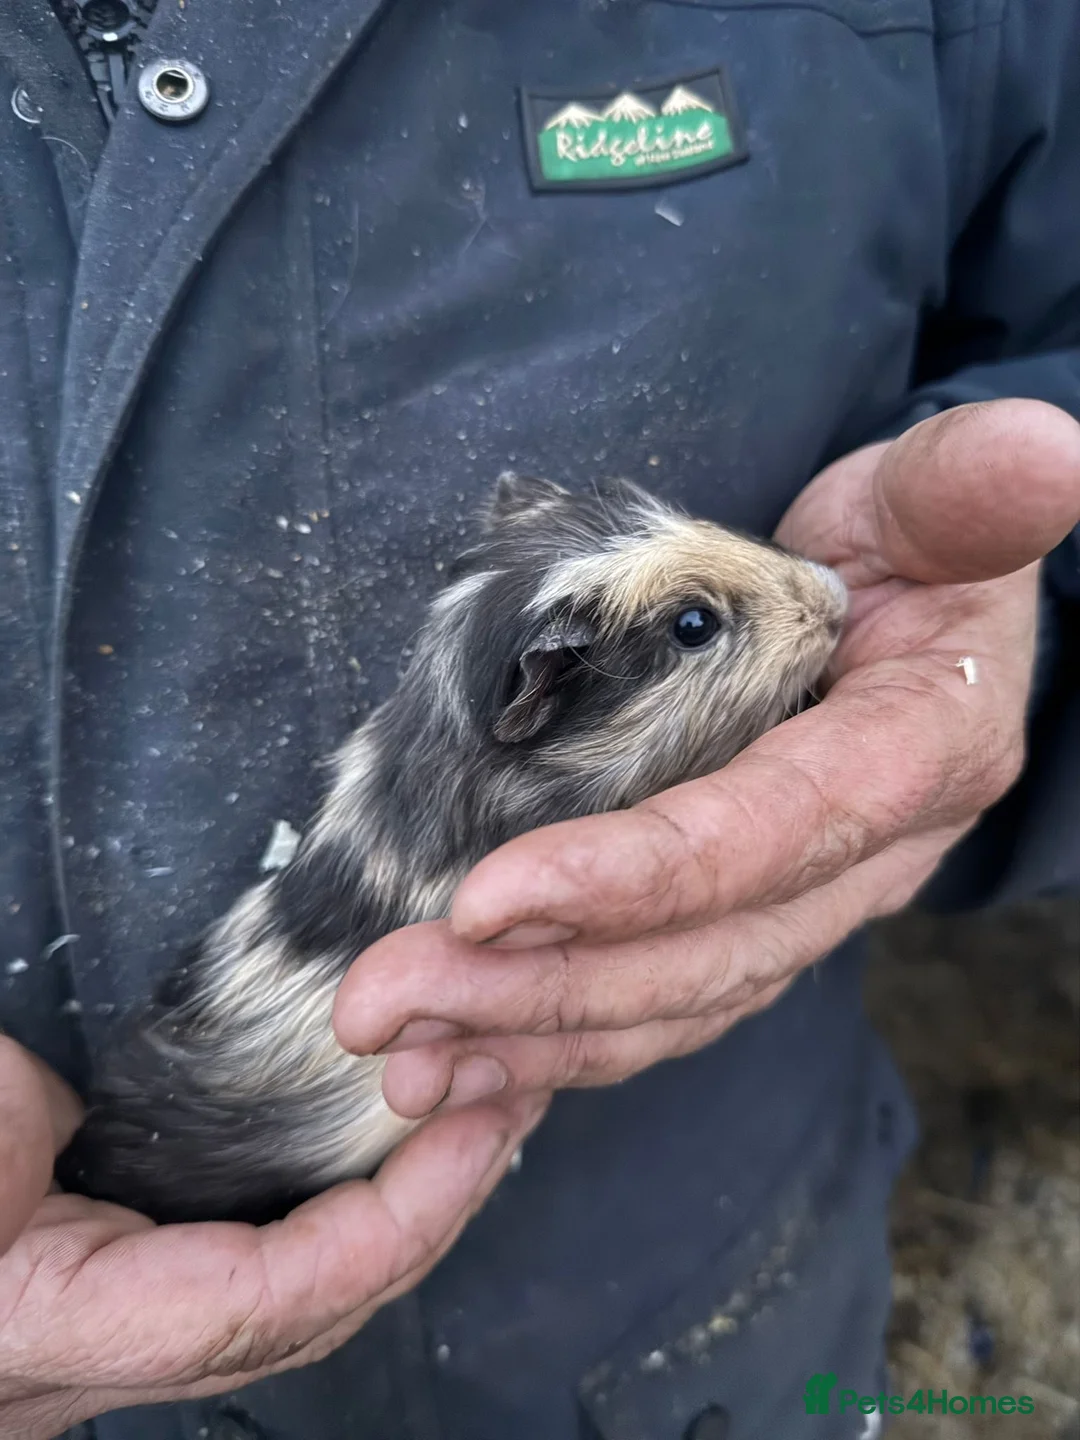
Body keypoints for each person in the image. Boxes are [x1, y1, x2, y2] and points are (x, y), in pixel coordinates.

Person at [1, 1, 1078, 1437]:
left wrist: (1026, 628)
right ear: (541, 701)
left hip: (695, 1311)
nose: (807, 599)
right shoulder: (513, 787)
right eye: (697, 628)